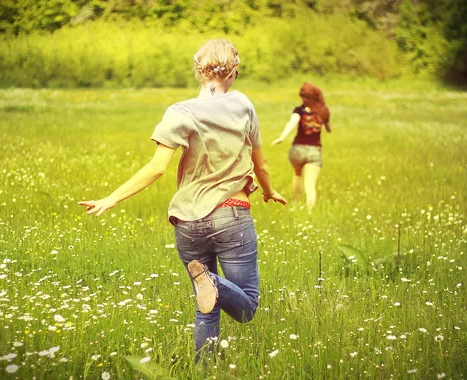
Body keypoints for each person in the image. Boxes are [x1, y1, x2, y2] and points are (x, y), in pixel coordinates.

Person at [78, 39, 286, 361]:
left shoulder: (179, 112)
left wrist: (112, 198)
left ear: (198, 71)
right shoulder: (243, 105)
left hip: (187, 223)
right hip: (231, 215)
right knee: (248, 307)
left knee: (207, 309)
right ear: (234, 71)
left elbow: (157, 167)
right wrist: (269, 191)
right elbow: (261, 164)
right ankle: (212, 282)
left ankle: (205, 367)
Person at [271, 82, 331, 211]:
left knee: (297, 175)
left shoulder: (299, 110)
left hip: (297, 149)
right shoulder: (323, 111)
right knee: (310, 185)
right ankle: (310, 211)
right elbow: (327, 128)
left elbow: (292, 123)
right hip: (314, 150)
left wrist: (282, 137)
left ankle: (297, 202)